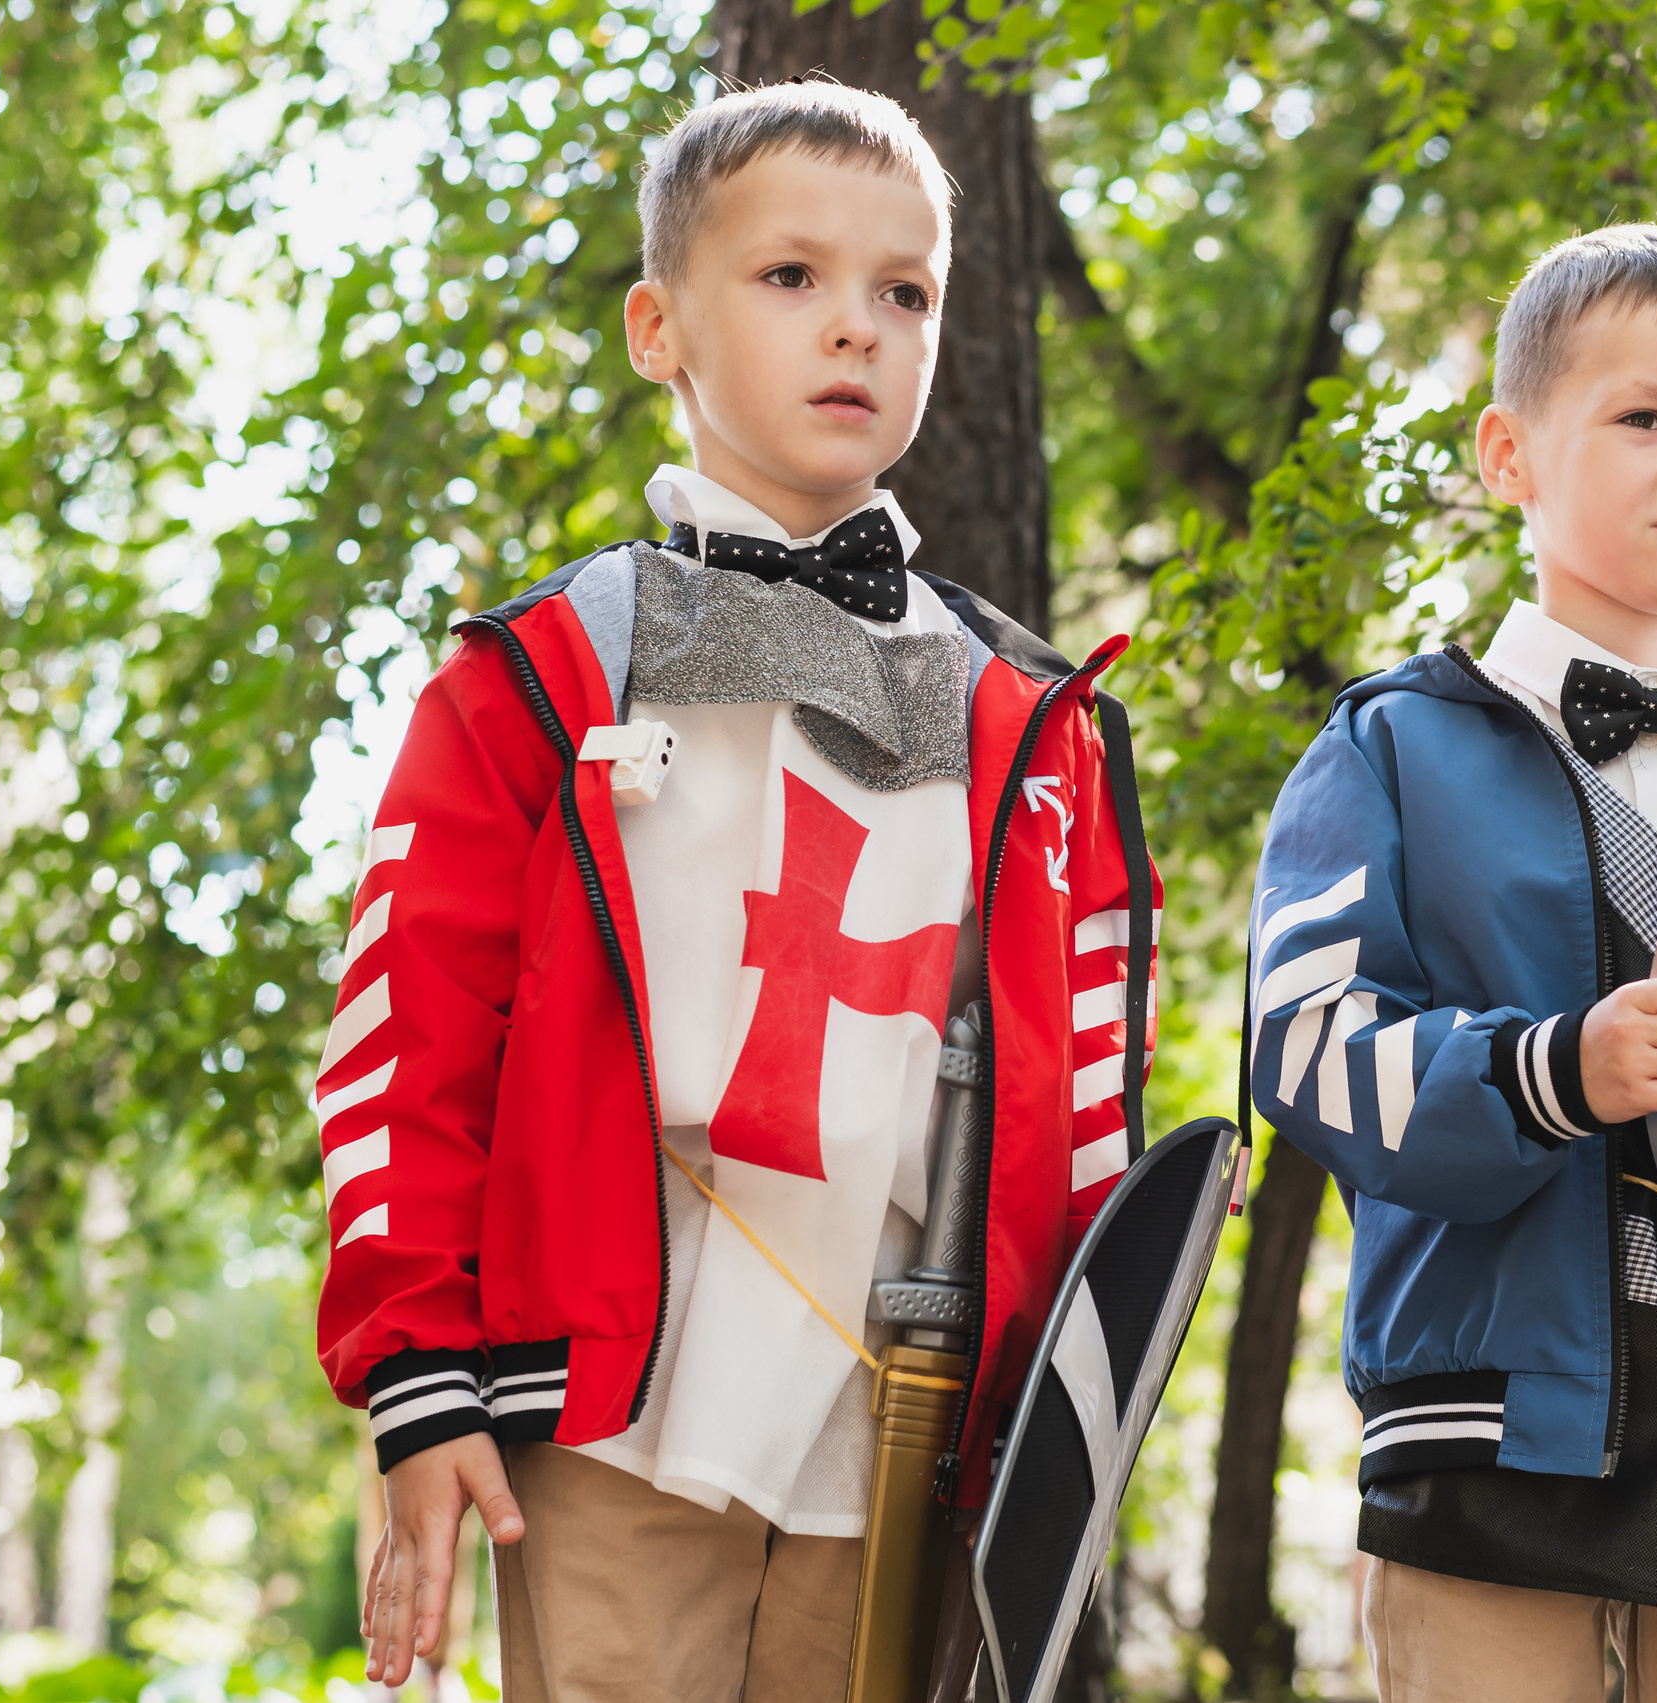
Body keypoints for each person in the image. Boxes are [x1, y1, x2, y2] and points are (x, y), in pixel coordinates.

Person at [313, 80, 1161, 1703]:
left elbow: (1089, 1108)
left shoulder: (1037, 728)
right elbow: (409, 1041)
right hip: (621, 1403)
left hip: (910, 1420)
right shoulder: (537, 679)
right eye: (791, 277)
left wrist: (1057, 1420)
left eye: (905, 294)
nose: (856, 328)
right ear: (658, 328)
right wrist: (418, 1375)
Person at [1248, 224, 1657, 1703]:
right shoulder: (1391, 748)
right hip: (1498, 1422)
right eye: (1644, 418)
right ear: (1510, 456)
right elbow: (1301, 1049)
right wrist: (1556, 1071)